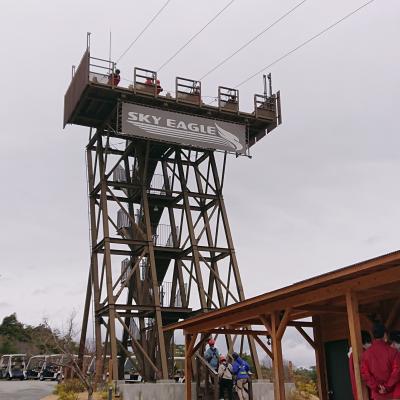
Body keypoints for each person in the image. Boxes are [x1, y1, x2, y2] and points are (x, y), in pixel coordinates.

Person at [361, 322, 400, 399]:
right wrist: (387, 387)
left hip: (377, 395)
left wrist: (377, 387)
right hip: (393, 394)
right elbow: (397, 371)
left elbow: (365, 375)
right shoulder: (393, 351)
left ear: (373, 335)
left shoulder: (365, 354)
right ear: (385, 334)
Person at [348, 330, 372, 400]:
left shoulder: (352, 354)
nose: (371, 345)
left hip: (358, 393)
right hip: (366, 392)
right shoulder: (362, 353)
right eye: (369, 342)